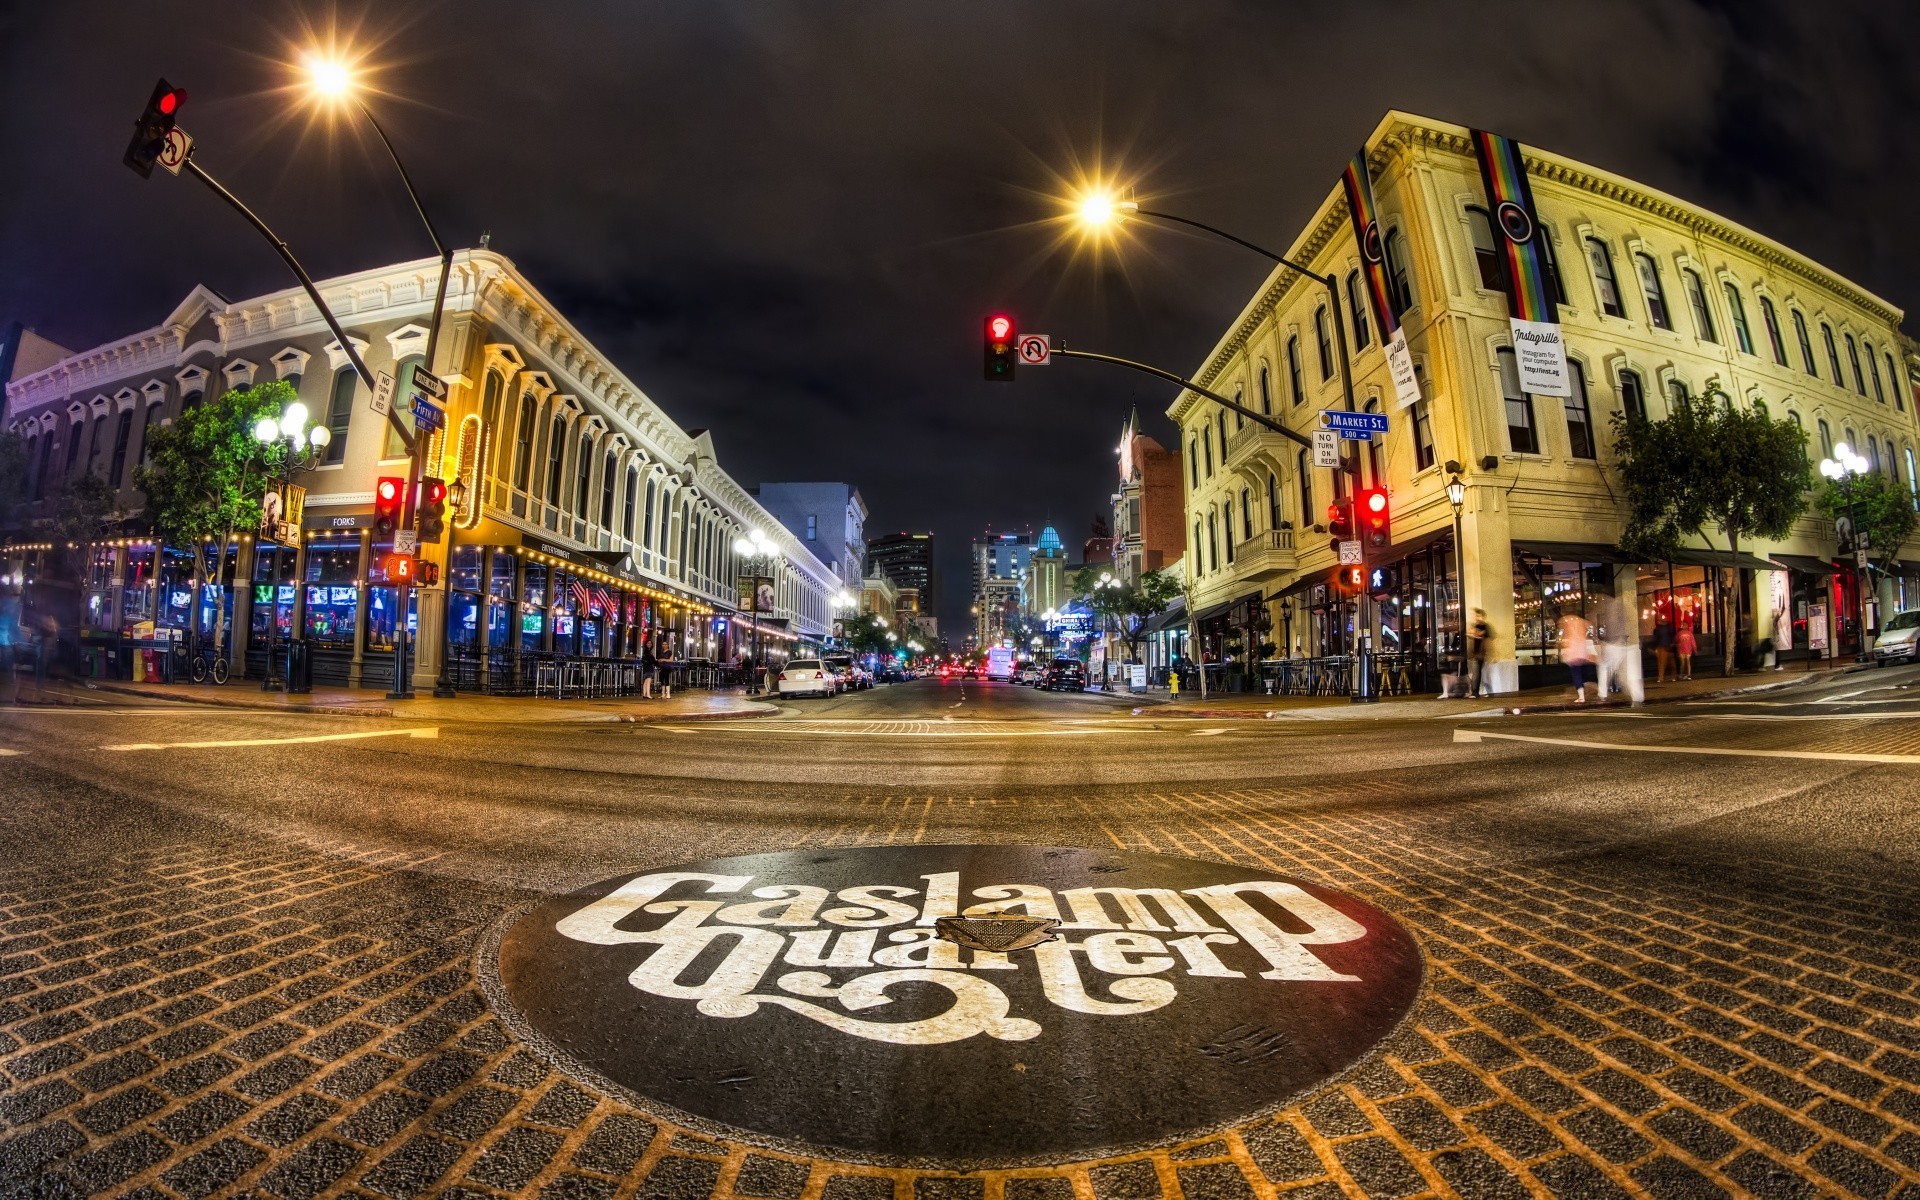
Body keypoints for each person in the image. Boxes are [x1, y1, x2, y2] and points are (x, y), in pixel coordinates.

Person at [1594, 593, 1644, 704]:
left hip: (1615, 644)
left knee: (1604, 667)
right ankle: (1637, 696)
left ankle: (1602, 694)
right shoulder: (1627, 610)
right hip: (1627, 644)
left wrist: (1605, 642)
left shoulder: (1613, 609)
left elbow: (1612, 628)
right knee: (1629, 672)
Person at [1559, 610, 1594, 703]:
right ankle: (1584, 688)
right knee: (1581, 671)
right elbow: (1589, 635)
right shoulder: (1583, 622)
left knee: (1576, 673)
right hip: (1582, 650)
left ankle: (1581, 696)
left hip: (1573, 652)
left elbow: (1564, 637)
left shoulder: (1565, 621)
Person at [1465, 608, 1492, 698]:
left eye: (1478, 616)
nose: (1476, 618)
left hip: (1480, 653)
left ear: (1482, 616)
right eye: (1476, 616)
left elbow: (1484, 637)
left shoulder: (1485, 626)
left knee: (1477, 673)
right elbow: (1471, 632)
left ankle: (1475, 692)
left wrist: (1476, 634)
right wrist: (1476, 634)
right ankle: (1475, 691)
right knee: (1474, 673)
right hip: (1473, 653)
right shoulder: (1474, 625)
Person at [1651, 615, 1676, 683]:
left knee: (1662, 663)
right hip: (1667, 647)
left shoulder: (1658, 629)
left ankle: (1661, 677)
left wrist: (1655, 647)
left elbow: (1656, 639)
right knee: (1670, 663)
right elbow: (1671, 637)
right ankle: (1672, 676)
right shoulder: (1668, 628)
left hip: (1662, 647)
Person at [1675, 612, 1697, 680]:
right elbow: (1676, 641)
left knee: (1687, 662)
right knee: (1682, 663)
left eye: (1685, 625)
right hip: (1681, 650)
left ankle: (1688, 674)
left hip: (1688, 650)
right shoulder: (1679, 633)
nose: (1684, 626)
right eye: (1683, 625)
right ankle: (1682, 674)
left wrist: (1694, 649)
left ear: (1687, 626)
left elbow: (1692, 641)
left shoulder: (1689, 633)